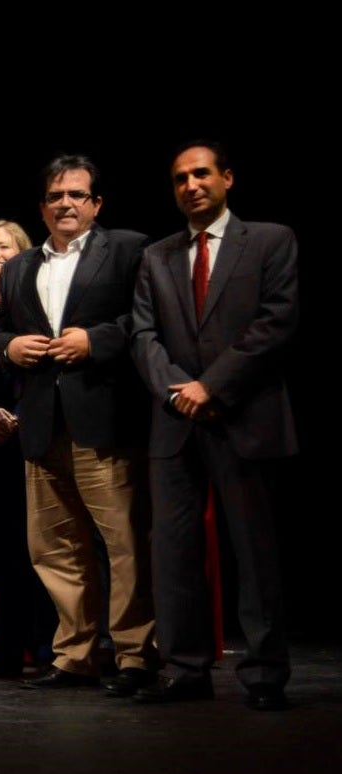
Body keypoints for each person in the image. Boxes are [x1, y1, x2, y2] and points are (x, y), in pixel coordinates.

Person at [130, 140, 299, 711]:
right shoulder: (156, 255)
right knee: (173, 552)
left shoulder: (271, 240)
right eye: (180, 179)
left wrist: (214, 386)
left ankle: (265, 675)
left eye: (201, 174)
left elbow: (276, 323)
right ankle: (185, 670)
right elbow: (143, 335)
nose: (191, 185)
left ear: (227, 178)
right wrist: (178, 389)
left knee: (255, 552)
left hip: (245, 416)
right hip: (176, 422)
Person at [0, 154, 158, 694]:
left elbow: (149, 319)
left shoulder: (128, 249)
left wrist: (97, 340)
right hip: (40, 426)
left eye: (77, 195)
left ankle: (134, 654)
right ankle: (74, 654)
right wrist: (10, 347)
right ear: (42, 207)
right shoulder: (19, 267)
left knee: (123, 544)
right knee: (54, 547)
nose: (66, 203)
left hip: (102, 419)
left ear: (96, 204)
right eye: (56, 196)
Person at [0, 220, 58, 678]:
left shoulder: (41, 302)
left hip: (38, 438)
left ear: (26, 253)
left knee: (44, 548)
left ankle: (49, 647)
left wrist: (20, 414)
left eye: (5, 247)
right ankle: (5, 650)